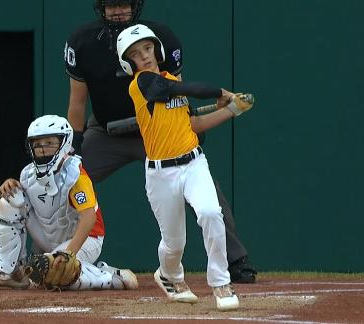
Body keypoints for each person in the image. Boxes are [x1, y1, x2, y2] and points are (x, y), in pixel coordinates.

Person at [64, 0, 257, 283]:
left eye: (124, 4)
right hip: (107, 132)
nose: (118, 11)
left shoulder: (162, 38)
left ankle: (236, 259)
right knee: (64, 180)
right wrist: (75, 147)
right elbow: (77, 104)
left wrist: (189, 122)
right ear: (100, 8)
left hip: (156, 131)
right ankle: (45, 258)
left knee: (203, 190)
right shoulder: (82, 42)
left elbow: (176, 91)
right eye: (111, 5)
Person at [116, 23, 255, 310]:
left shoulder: (170, 83)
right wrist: (221, 92)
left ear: (157, 49)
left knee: (210, 212)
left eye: (147, 48)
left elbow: (194, 124)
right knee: (174, 242)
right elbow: (187, 88)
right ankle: (169, 275)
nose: (144, 56)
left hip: (193, 163)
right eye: (135, 53)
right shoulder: (142, 85)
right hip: (160, 173)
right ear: (127, 62)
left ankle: (221, 284)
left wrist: (231, 109)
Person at [0, 114, 138, 291]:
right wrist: (10, 184)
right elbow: (25, 204)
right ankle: (12, 272)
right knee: (10, 201)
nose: (43, 149)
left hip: (87, 239)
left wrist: (69, 253)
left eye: (49, 143)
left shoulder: (75, 174)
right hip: (50, 237)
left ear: (64, 143)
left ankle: (109, 276)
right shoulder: (28, 174)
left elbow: (89, 217)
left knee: (53, 275)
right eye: (37, 145)